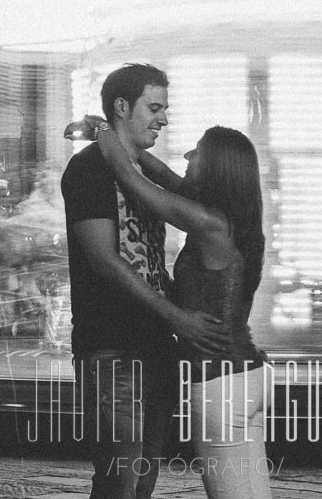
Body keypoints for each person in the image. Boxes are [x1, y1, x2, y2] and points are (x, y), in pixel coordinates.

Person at [60, 63, 228, 499]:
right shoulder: (88, 170)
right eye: (154, 107)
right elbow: (104, 261)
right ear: (122, 106)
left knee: (143, 477)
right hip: (112, 345)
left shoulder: (143, 172)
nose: (164, 119)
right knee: (120, 476)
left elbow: (155, 183)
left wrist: (109, 134)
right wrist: (177, 316)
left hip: (156, 344)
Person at [92, 119, 271, 499]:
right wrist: (121, 133)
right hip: (245, 377)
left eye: (197, 152)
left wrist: (105, 134)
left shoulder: (208, 222)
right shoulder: (228, 219)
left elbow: (135, 182)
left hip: (220, 384)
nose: (188, 155)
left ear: (218, 168)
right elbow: (165, 177)